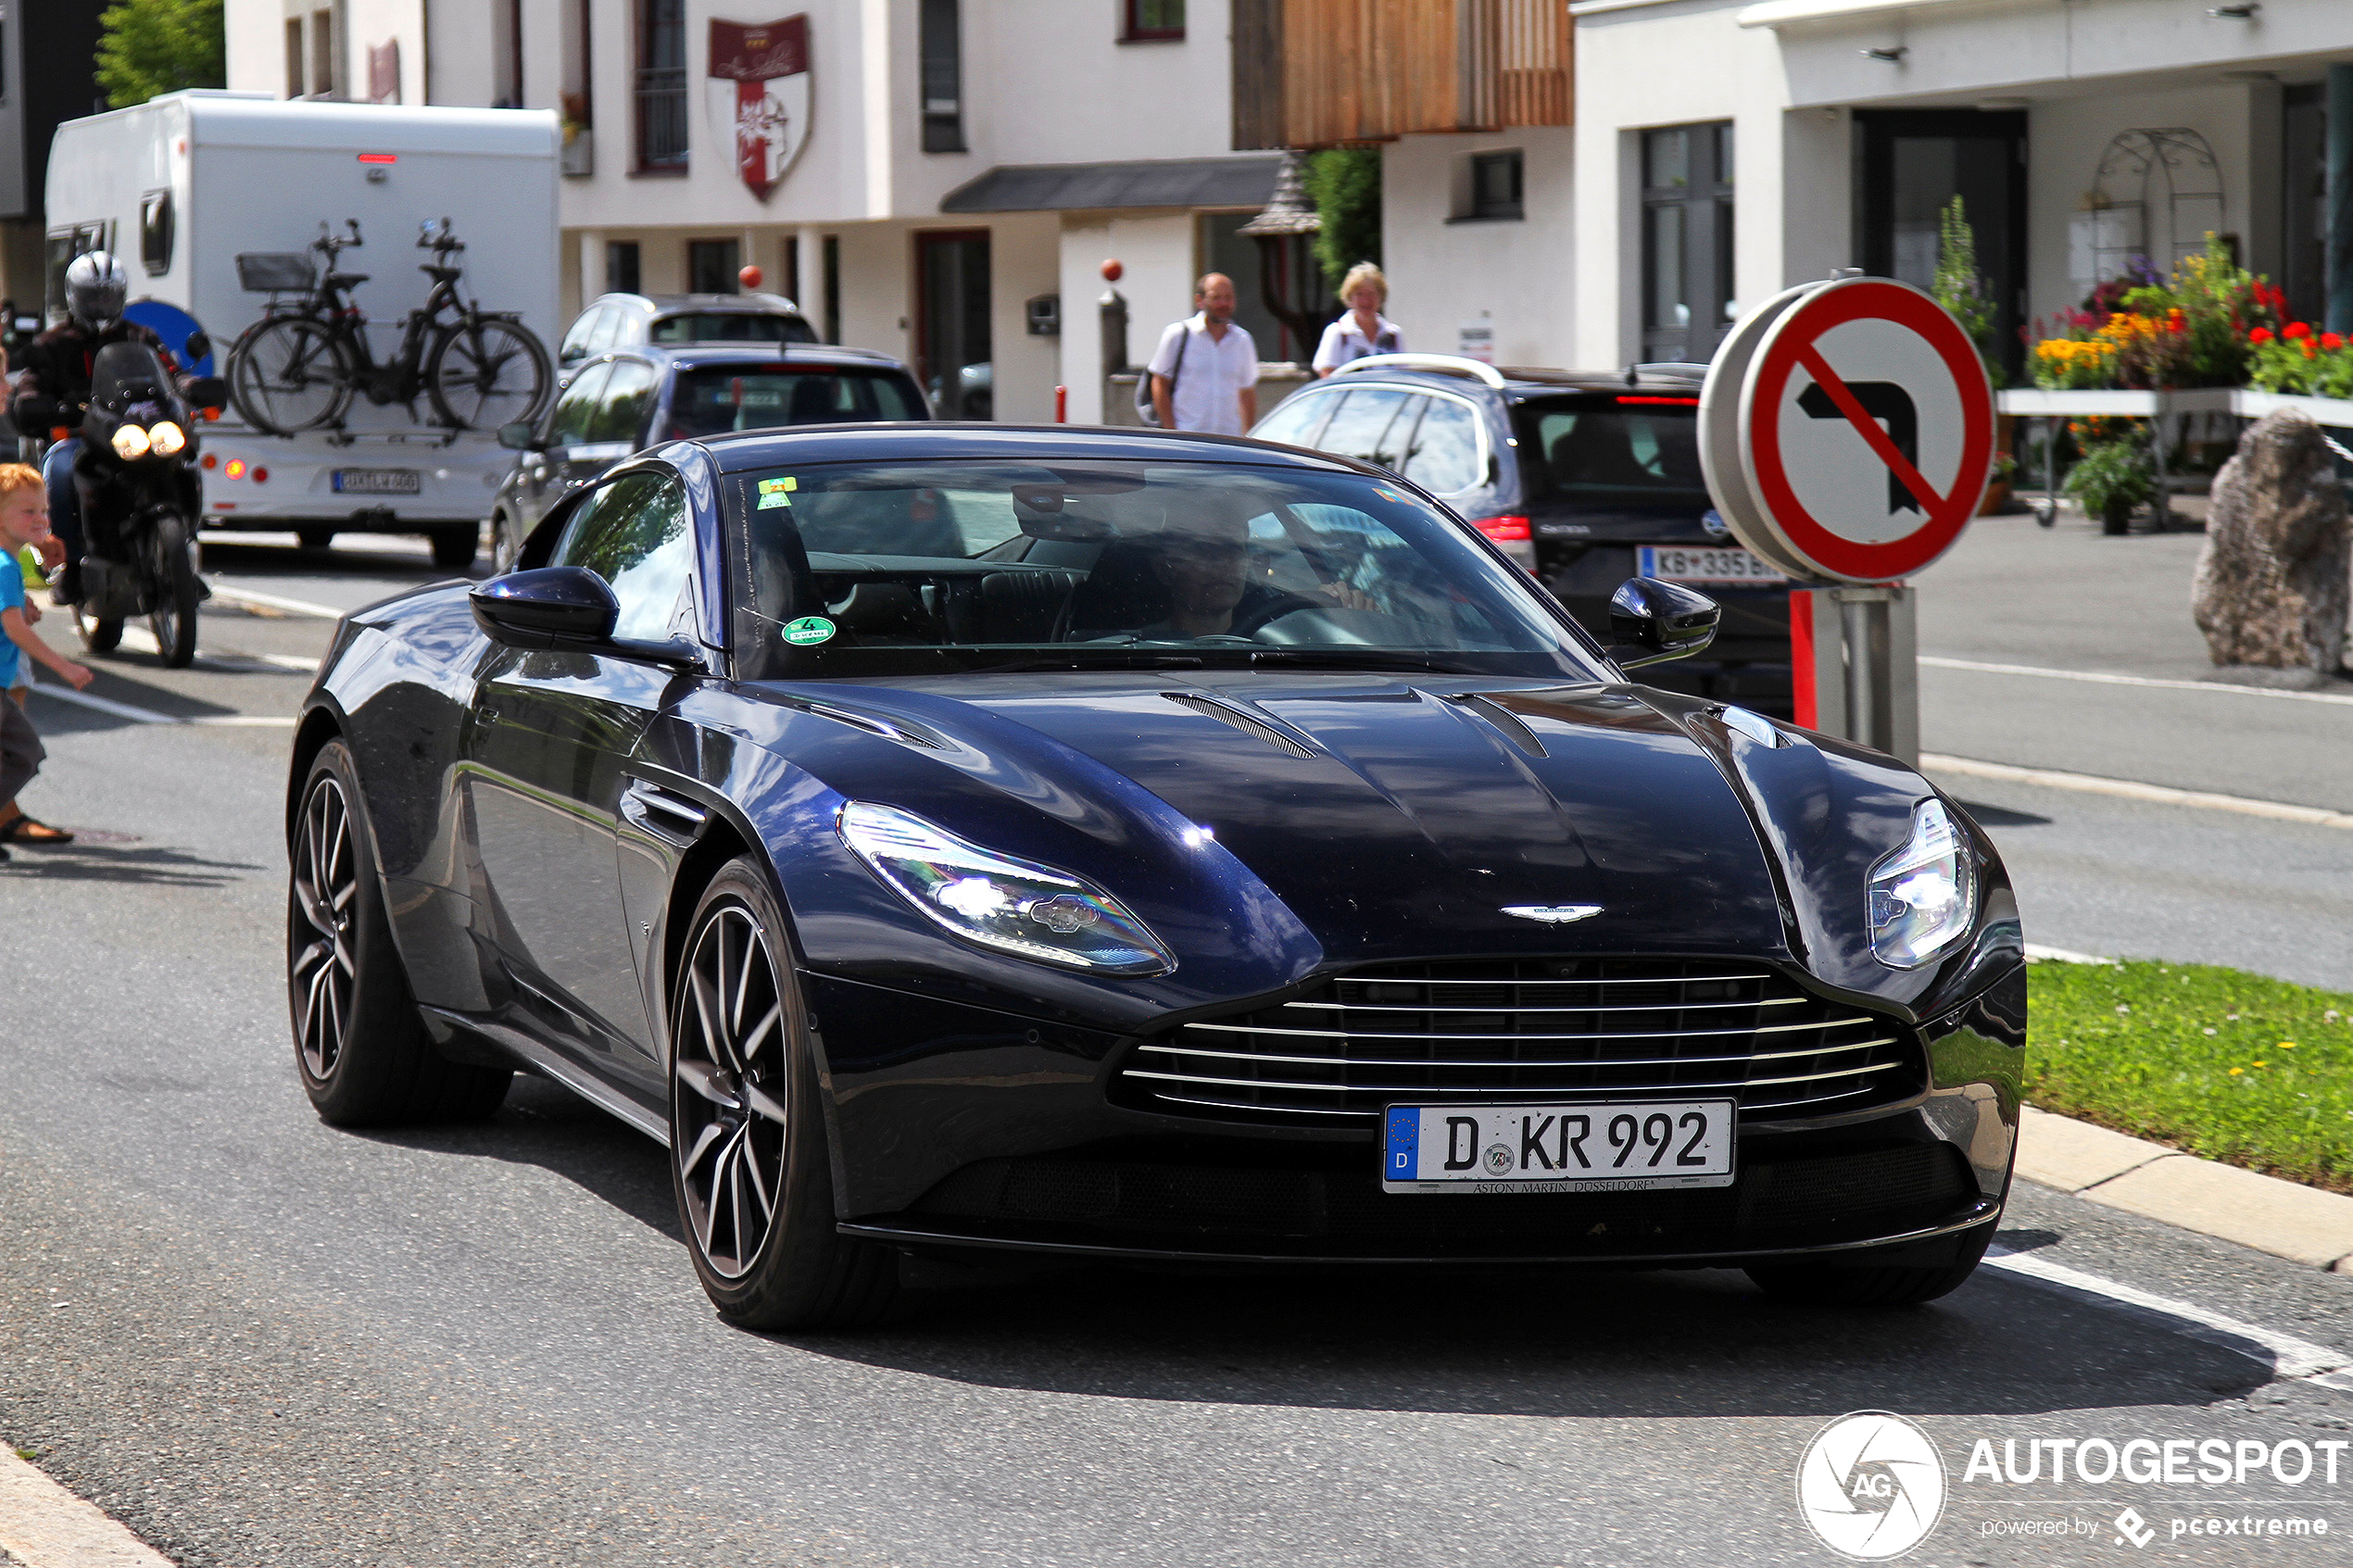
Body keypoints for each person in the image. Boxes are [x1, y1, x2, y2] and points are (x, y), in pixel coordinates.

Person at [7, 253, 175, 605]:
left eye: (109, 296)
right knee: (62, 473)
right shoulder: (52, 343)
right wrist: (34, 401)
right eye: (93, 296)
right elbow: (31, 381)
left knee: (181, 462)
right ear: (74, 297)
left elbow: (171, 373)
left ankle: (181, 554)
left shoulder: (141, 336)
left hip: (134, 436)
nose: (101, 304)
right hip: (81, 439)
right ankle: (70, 565)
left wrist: (189, 389)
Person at [0, 463, 94, 858]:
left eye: (43, 510)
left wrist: (24, 609)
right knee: (24, 752)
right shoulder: (5, 567)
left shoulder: (11, 563)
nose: (40, 519)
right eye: (28, 511)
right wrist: (64, 666)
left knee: (24, 752)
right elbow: (13, 629)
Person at [1148, 273, 1259, 435]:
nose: (1224, 303)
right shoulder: (1178, 334)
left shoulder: (1242, 340)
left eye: (1228, 297)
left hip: (1229, 442)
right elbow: (1159, 383)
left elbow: (1247, 391)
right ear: (1200, 300)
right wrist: (1171, 432)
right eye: (1216, 298)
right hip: (1189, 439)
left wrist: (1248, 438)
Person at [1312, 263, 1403, 377]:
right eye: (1359, 294)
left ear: (1381, 297)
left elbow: (1402, 375)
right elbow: (1327, 375)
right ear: (1350, 298)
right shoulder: (1337, 333)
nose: (1366, 300)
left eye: (1371, 294)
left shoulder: (1393, 334)